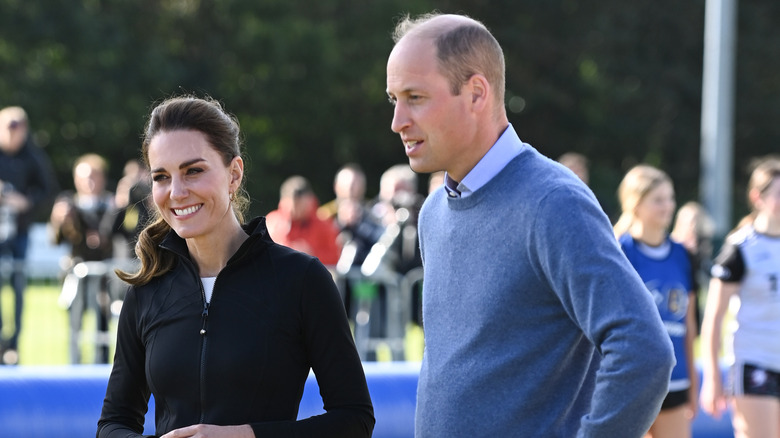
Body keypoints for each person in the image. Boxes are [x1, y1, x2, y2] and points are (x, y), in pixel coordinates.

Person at [385, 12, 675, 437]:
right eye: (394, 99)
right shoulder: (433, 212)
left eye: (415, 97)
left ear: (476, 93)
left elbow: (643, 350)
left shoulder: (553, 202)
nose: (398, 121)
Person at [97, 96, 374, 438]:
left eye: (193, 171)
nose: (177, 191)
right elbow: (113, 424)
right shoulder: (146, 289)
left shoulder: (301, 280)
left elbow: (354, 419)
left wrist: (246, 436)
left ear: (234, 174)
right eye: (161, 177)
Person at [614, 165, 699, 438]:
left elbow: (689, 325)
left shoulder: (683, 256)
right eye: (658, 200)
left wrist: (694, 385)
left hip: (674, 379)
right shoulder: (618, 251)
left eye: (670, 198)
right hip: (628, 380)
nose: (668, 206)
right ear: (636, 205)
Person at [700, 156, 780, 438]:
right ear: (757, 197)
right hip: (755, 363)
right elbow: (714, 318)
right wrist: (712, 377)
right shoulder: (740, 248)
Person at [0, 106, 58, 365]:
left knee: (19, 287)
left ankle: (14, 345)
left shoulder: (32, 156)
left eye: (19, 127)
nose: (14, 133)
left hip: (19, 231)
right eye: (9, 126)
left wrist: (26, 202)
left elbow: (48, 191)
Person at [50, 153, 117, 364]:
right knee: (75, 326)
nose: (88, 182)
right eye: (83, 177)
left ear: (102, 178)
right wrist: (58, 220)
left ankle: (101, 367)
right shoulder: (68, 205)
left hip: (104, 274)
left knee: (101, 324)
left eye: (92, 176)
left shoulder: (112, 205)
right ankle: (74, 366)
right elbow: (56, 239)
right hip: (76, 271)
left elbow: (115, 238)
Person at [265, 175, 342, 266]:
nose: (298, 211)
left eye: (301, 206)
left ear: (310, 200)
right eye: (295, 206)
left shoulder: (323, 223)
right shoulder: (272, 222)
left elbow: (336, 257)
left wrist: (311, 254)